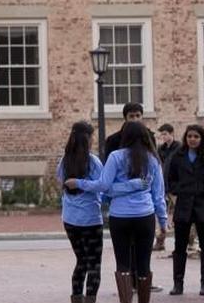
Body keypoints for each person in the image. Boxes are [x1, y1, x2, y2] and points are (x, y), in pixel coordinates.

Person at [67, 121, 168, 303]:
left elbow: (104, 186)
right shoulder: (152, 159)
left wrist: (80, 183)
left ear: (125, 136)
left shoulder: (115, 156)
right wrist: (163, 220)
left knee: (123, 263)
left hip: (120, 216)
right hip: (145, 215)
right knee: (144, 263)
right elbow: (158, 195)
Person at [165, 124, 204, 296]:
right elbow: (171, 179)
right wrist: (179, 190)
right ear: (185, 138)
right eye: (189, 136)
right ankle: (178, 283)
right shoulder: (178, 155)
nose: (192, 139)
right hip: (183, 205)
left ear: (202, 138)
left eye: (196, 136)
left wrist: (198, 190)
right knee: (179, 245)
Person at [156, 123, 182, 251]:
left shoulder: (180, 148)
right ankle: (160, 241)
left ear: (172, 133)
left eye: (165, 134)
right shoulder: (161, 149)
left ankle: (186, 243)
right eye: (162, 134)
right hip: (164, 186)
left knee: (180, 215)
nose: (163, 137)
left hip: (176, 187)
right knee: (161, 215)